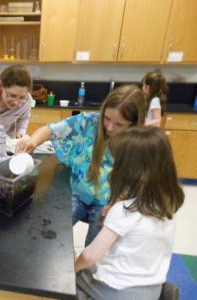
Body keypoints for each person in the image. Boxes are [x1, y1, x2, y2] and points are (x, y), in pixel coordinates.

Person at [16, 85, 146, 246]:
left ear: (133, 124)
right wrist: (31, 142)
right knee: (50, 233)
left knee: (95, 245)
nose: (110, 127)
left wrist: (117, 203)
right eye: (107, 118)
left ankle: (83, 270)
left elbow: (136, 180)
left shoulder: (139, 143)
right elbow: (50, 130)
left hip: (108, 201)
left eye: (119, 124)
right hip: (76, 192)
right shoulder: (88, 122)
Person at [75, 127, 184, 300]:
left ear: (127, 169)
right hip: (151, 288)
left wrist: (73, 268)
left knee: (68, 275)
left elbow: (90, 256)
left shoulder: (124, 211)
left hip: (116, 291)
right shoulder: (169, 204)